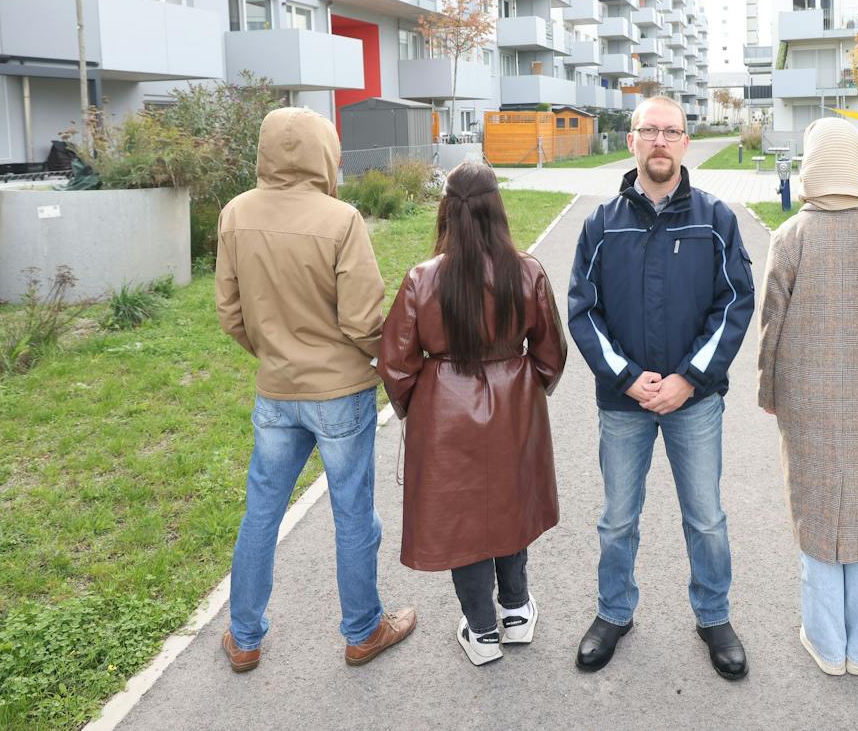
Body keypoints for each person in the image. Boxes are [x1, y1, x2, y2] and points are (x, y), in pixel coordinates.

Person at [214, 107, 416, 673]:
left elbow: (230, 313)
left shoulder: (235, 214)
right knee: (353, 515)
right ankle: (362, 631)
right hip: (341, 393)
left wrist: (275, 354)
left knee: (260, 514)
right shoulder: (341, 219)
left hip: (276, 390)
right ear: (325, 152)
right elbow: (361, 321)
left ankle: (244, 637)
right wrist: (388, 361)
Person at [567, 95, 755, 679]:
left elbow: (735, 304)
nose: (660, 142)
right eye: (649, 130)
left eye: (671, 132)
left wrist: (689, 379)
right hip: (623, 404)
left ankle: (714, 615)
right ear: (632, 141)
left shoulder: (715, 219)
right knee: (618, 519)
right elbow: (582, 311)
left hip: (693, 404)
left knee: (706, 518)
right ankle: (614, 612)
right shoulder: (601, 224)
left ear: (685, 143)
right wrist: (625, 379)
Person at [380, 161, 568, 666]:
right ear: (496, 208)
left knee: (463, 520)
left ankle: (482, 632)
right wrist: (528, 393)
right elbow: (551, 355)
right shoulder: (527, 270)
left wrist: (416, 410)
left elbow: (395, 364)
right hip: (514, 408)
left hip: (445, 414)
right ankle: (516, 613)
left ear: (446, 209)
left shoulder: (422, 278)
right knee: (509, 505)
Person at [757, 117, 858, 676]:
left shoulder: (791, 237)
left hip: (806, 394)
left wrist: (770, 387)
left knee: (817, 511)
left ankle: (826, 645)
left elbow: (771, 325)